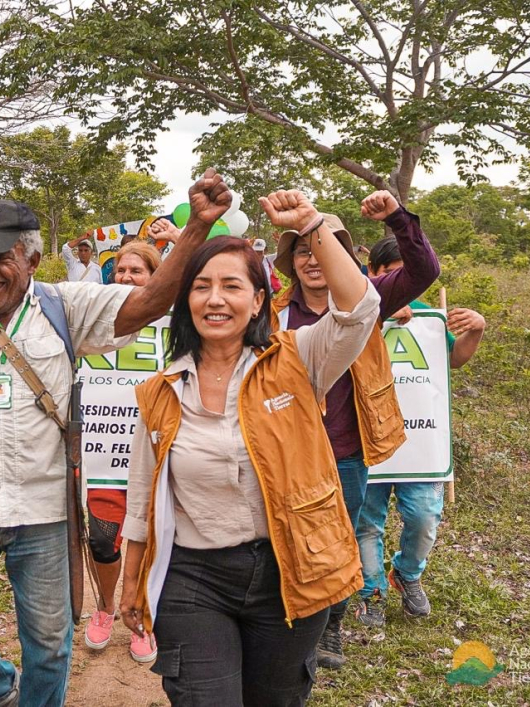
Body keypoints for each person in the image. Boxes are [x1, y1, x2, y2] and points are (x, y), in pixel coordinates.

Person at [0, 170, 234, 707]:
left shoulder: (65, 306)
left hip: (45, 513)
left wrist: (194, 232)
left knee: (49, 644)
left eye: (0, 257)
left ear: (29, 259)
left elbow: (148, 304)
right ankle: (0, 691)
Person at [119, 188, 381, 706]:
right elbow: (142, 497)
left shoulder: (300, 358)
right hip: (194, 579)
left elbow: (360, 308)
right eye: (201, 287)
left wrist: (310, 226)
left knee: (276, 699)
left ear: (258, 300)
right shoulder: (160, 391)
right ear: (184, 300)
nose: (215, 299)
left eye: (232, 286)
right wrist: (131, 579)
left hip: (291, 570)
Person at [269, 192, 440, 669]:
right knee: (279, 536)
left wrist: (396, 218)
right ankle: (282, 623)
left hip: (345, 449)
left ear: (341, 254)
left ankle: (330, 629)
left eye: (321, 248)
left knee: (340, 540)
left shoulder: (371, 300)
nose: (311, 259)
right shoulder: (271, 311)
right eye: (301, 251)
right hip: (286, 449)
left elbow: (424, 272)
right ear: (291, 263)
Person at [354, 236, 486, 627]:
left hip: (420, 444)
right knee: (366, 521)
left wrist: (475, 330)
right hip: (368, 440)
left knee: (425, 516)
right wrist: (378, 316)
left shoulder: (429, 317)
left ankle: (407, 574)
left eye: (410, 277)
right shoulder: (352, 309)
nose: (402, 285)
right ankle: (371, 590)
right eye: (393, 274)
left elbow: (454, 358)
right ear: (372, 273)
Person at [83, 240, 163, 663]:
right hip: (104, 458)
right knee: (102, 541)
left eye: (137, 271)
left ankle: (143, 617)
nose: (127, 278)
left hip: (155, 457)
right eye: (121, 271)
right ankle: (105, 606)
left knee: (149, 540)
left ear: (156, 278)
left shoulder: (176, 325)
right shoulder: (92, 324)